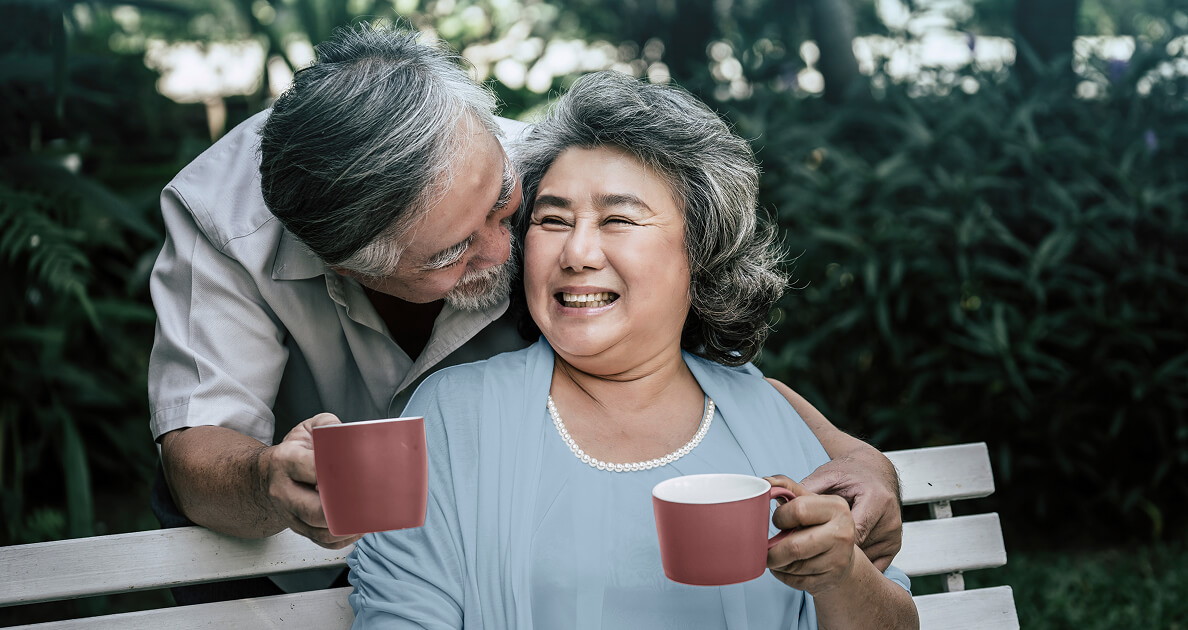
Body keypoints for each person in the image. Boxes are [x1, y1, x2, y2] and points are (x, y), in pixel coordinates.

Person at [147, 22, 900, 601]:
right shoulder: (228, 223)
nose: (508, 249)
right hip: (288, 568)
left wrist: (852, 453)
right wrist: (267, 482)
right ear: (345, 265)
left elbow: (670, 361)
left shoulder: (535, 170)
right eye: (451, 252)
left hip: (504, 550)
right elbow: (197, 450)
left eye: (506, 206)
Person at [347, 71, 919, 628]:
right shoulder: (453, 415)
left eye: (618, 218)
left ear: (699, 250)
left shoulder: (764, 414)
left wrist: (840, 574)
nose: (577, 252)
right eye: (552, 219)